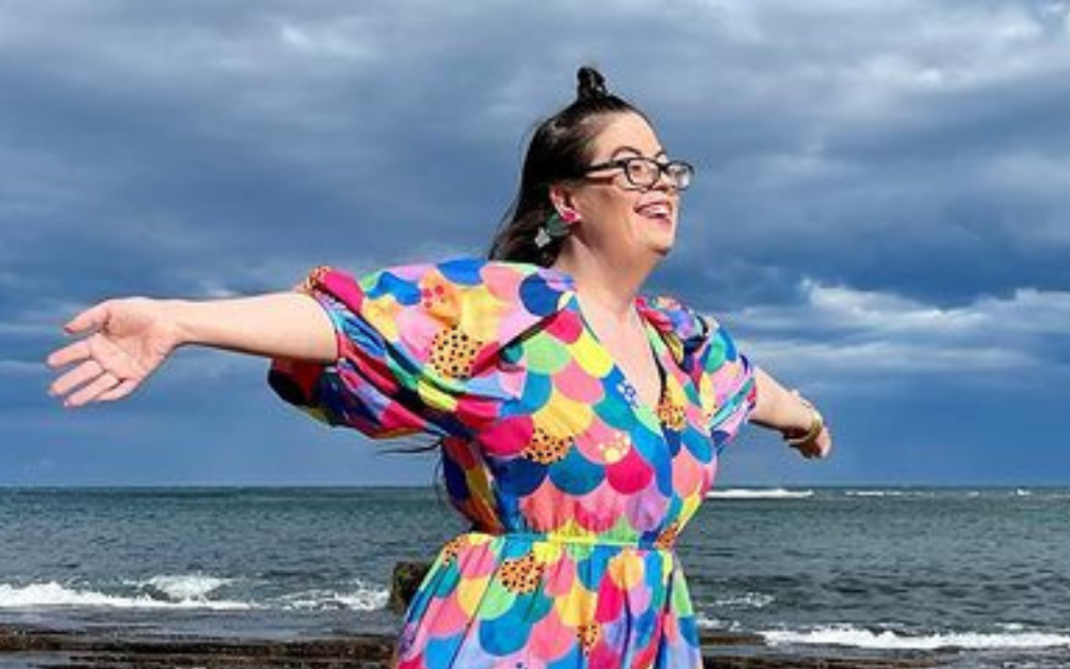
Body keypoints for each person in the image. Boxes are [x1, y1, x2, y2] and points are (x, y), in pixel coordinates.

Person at [46, 67, 832, 668]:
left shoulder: (682, 346)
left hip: (645, 627)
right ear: (566, 201)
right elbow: (354, 321)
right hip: (510, 635)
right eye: (629, 167)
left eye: (665, 166)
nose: (658, 182)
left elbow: (754, 388)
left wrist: (808, 420)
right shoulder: (512, 310)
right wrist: (180, 319)